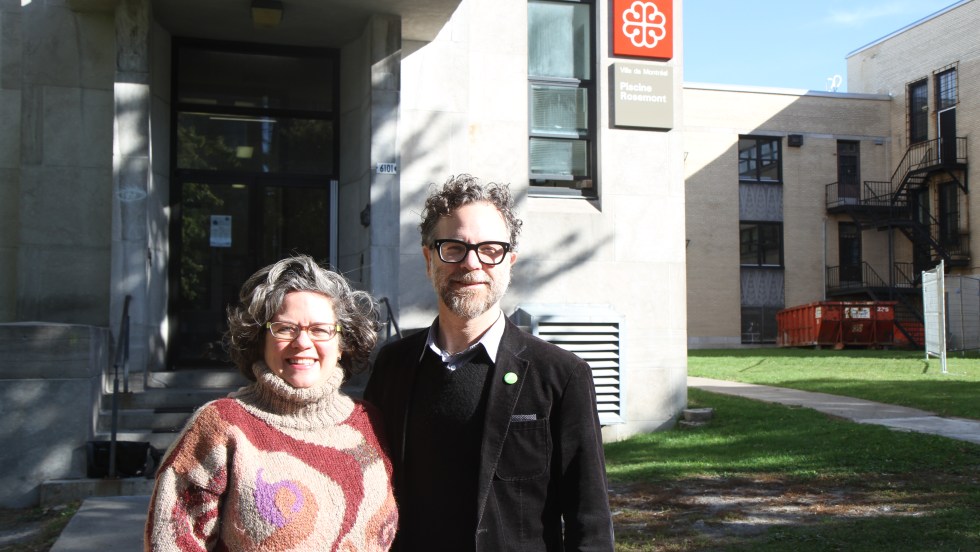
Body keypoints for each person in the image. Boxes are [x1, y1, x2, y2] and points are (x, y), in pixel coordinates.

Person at [364, 175, 614, 551]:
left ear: (509, 261)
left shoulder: (560, 376)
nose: (471, 263)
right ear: (428, 256)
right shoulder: (393, 365)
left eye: (490, 250)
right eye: (454, 247)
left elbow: (589, 522)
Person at [145, 255, 398, 551]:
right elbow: (170, 542)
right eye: (285, 328)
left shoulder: (369, 423)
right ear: (259, 340)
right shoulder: (221, 427)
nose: (303, 342)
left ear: (342, 344)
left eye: (320, 329)